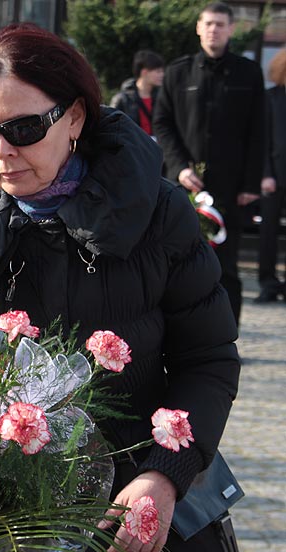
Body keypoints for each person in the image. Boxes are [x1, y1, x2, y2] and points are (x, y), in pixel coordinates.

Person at [0, 22, 241, 552]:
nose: (3, 153)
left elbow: (208, 358)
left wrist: (163, 474)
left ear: (75, 117)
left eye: (26, 128)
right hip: (7, 509)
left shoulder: (157, 212)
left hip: (134, 496)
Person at [153, 1, 265, 326]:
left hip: (230, 187)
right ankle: (180, 332)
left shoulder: (248, 72)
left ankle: (227, 337)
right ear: (199, 28)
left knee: (227, 267)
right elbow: (163, 124)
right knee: (179, 263)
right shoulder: (178, 72)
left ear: (231, 29)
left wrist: (250, 185)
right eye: (209, 24)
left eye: (220, 24)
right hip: (184, 188)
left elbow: (259, 131)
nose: (214, 29)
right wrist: (179, 167)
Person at [255, 48, 286, 303]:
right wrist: (265, 173)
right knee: (268, 232)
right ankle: (267, 282)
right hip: (273, 176)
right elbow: (261, 138)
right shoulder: (270, 98)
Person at [110, 49, 164, 137]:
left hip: (158, 148)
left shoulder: (162, 97)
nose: (162, 75)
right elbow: (111, 129)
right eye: (158, 71)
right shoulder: (122, 99)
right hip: (133, 148)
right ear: (144, 72)